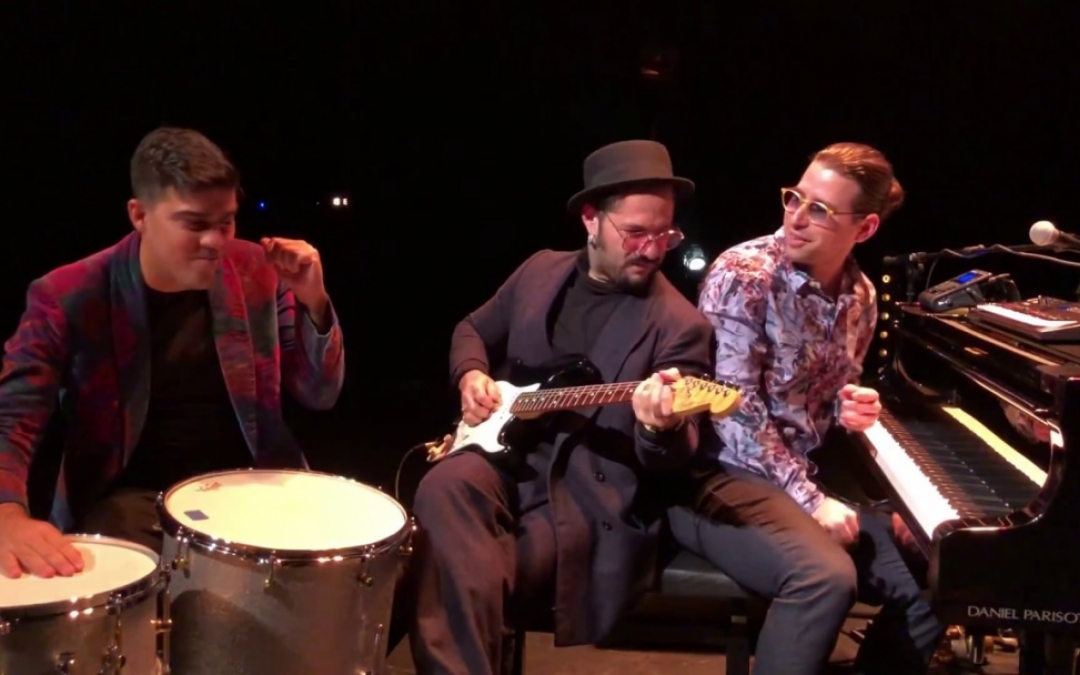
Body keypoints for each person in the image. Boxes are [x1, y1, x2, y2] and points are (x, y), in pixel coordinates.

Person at [403, 140, 714, 674]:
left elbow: (673, 458)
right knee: (441, 486)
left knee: (456, 569)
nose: (652, 249)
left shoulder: (681, 325)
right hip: (501, 455)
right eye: (636, 232)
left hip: (580, 494)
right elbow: (472, 328)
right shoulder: (540, 271)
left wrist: (659, 428)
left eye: (664, 234)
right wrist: (471, 374)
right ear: (591, 219)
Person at [0, 127, 345, 579]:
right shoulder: (69, 294)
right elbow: (13, 416)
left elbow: (319, 394)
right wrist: (7, 514)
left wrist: (313, 301)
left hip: (251, 485)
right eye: (195, 224)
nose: (216, 241)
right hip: (129, 502)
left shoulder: (258, 271)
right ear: (139, 215)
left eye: (226, 222)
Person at [668, 142, 944, 674]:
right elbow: (736, 411)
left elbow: (827, 400)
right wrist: (813, 501)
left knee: (943, 578)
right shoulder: (745, 274)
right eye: (795, 198)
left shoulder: (861, 296)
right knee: (825, 581)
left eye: (820, 209)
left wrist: (849, 407)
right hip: (721, 475)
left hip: (803, 475)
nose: (796, 217)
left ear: (864, 228)